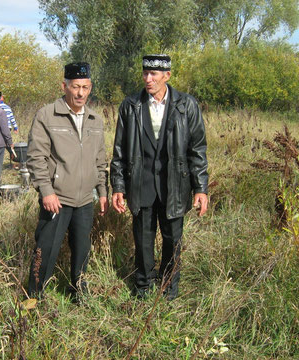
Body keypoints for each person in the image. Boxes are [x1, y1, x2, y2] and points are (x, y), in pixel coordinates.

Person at [110, 54, 209, 300]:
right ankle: (143, 288)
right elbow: (119, 151)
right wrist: (118, 186)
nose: (148, 79)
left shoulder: (187, 105)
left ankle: (168, 289)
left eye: (154, 74)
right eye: (145, 73)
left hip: (174, 186)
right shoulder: (130, 105)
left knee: (172, 241)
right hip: (140, 185)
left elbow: (197, 150)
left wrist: (201, 188)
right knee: (143, 241)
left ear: (167, 76)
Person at [26, 62, 109, 299]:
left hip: (84, 200)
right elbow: (36, 157)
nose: (80, 93)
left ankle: (79, 293)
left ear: (90, 87)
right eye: (75, 87)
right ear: (64, 86)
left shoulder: (95, 120)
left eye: (85, 87)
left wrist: (102, 191)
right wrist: (46, 191)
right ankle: (34, 296)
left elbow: (100, 159)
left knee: (82, 250)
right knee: (46, 250)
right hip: (57, 198)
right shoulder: (47, 115)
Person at [0, 95, 19, 168]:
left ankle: (12, 156)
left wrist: (15, 127)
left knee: (1, 144)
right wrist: (15, 127)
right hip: (8, 128)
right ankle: (13, 155)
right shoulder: (7, 107)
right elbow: (12, 118)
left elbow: (11, 117)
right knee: (7, 143)